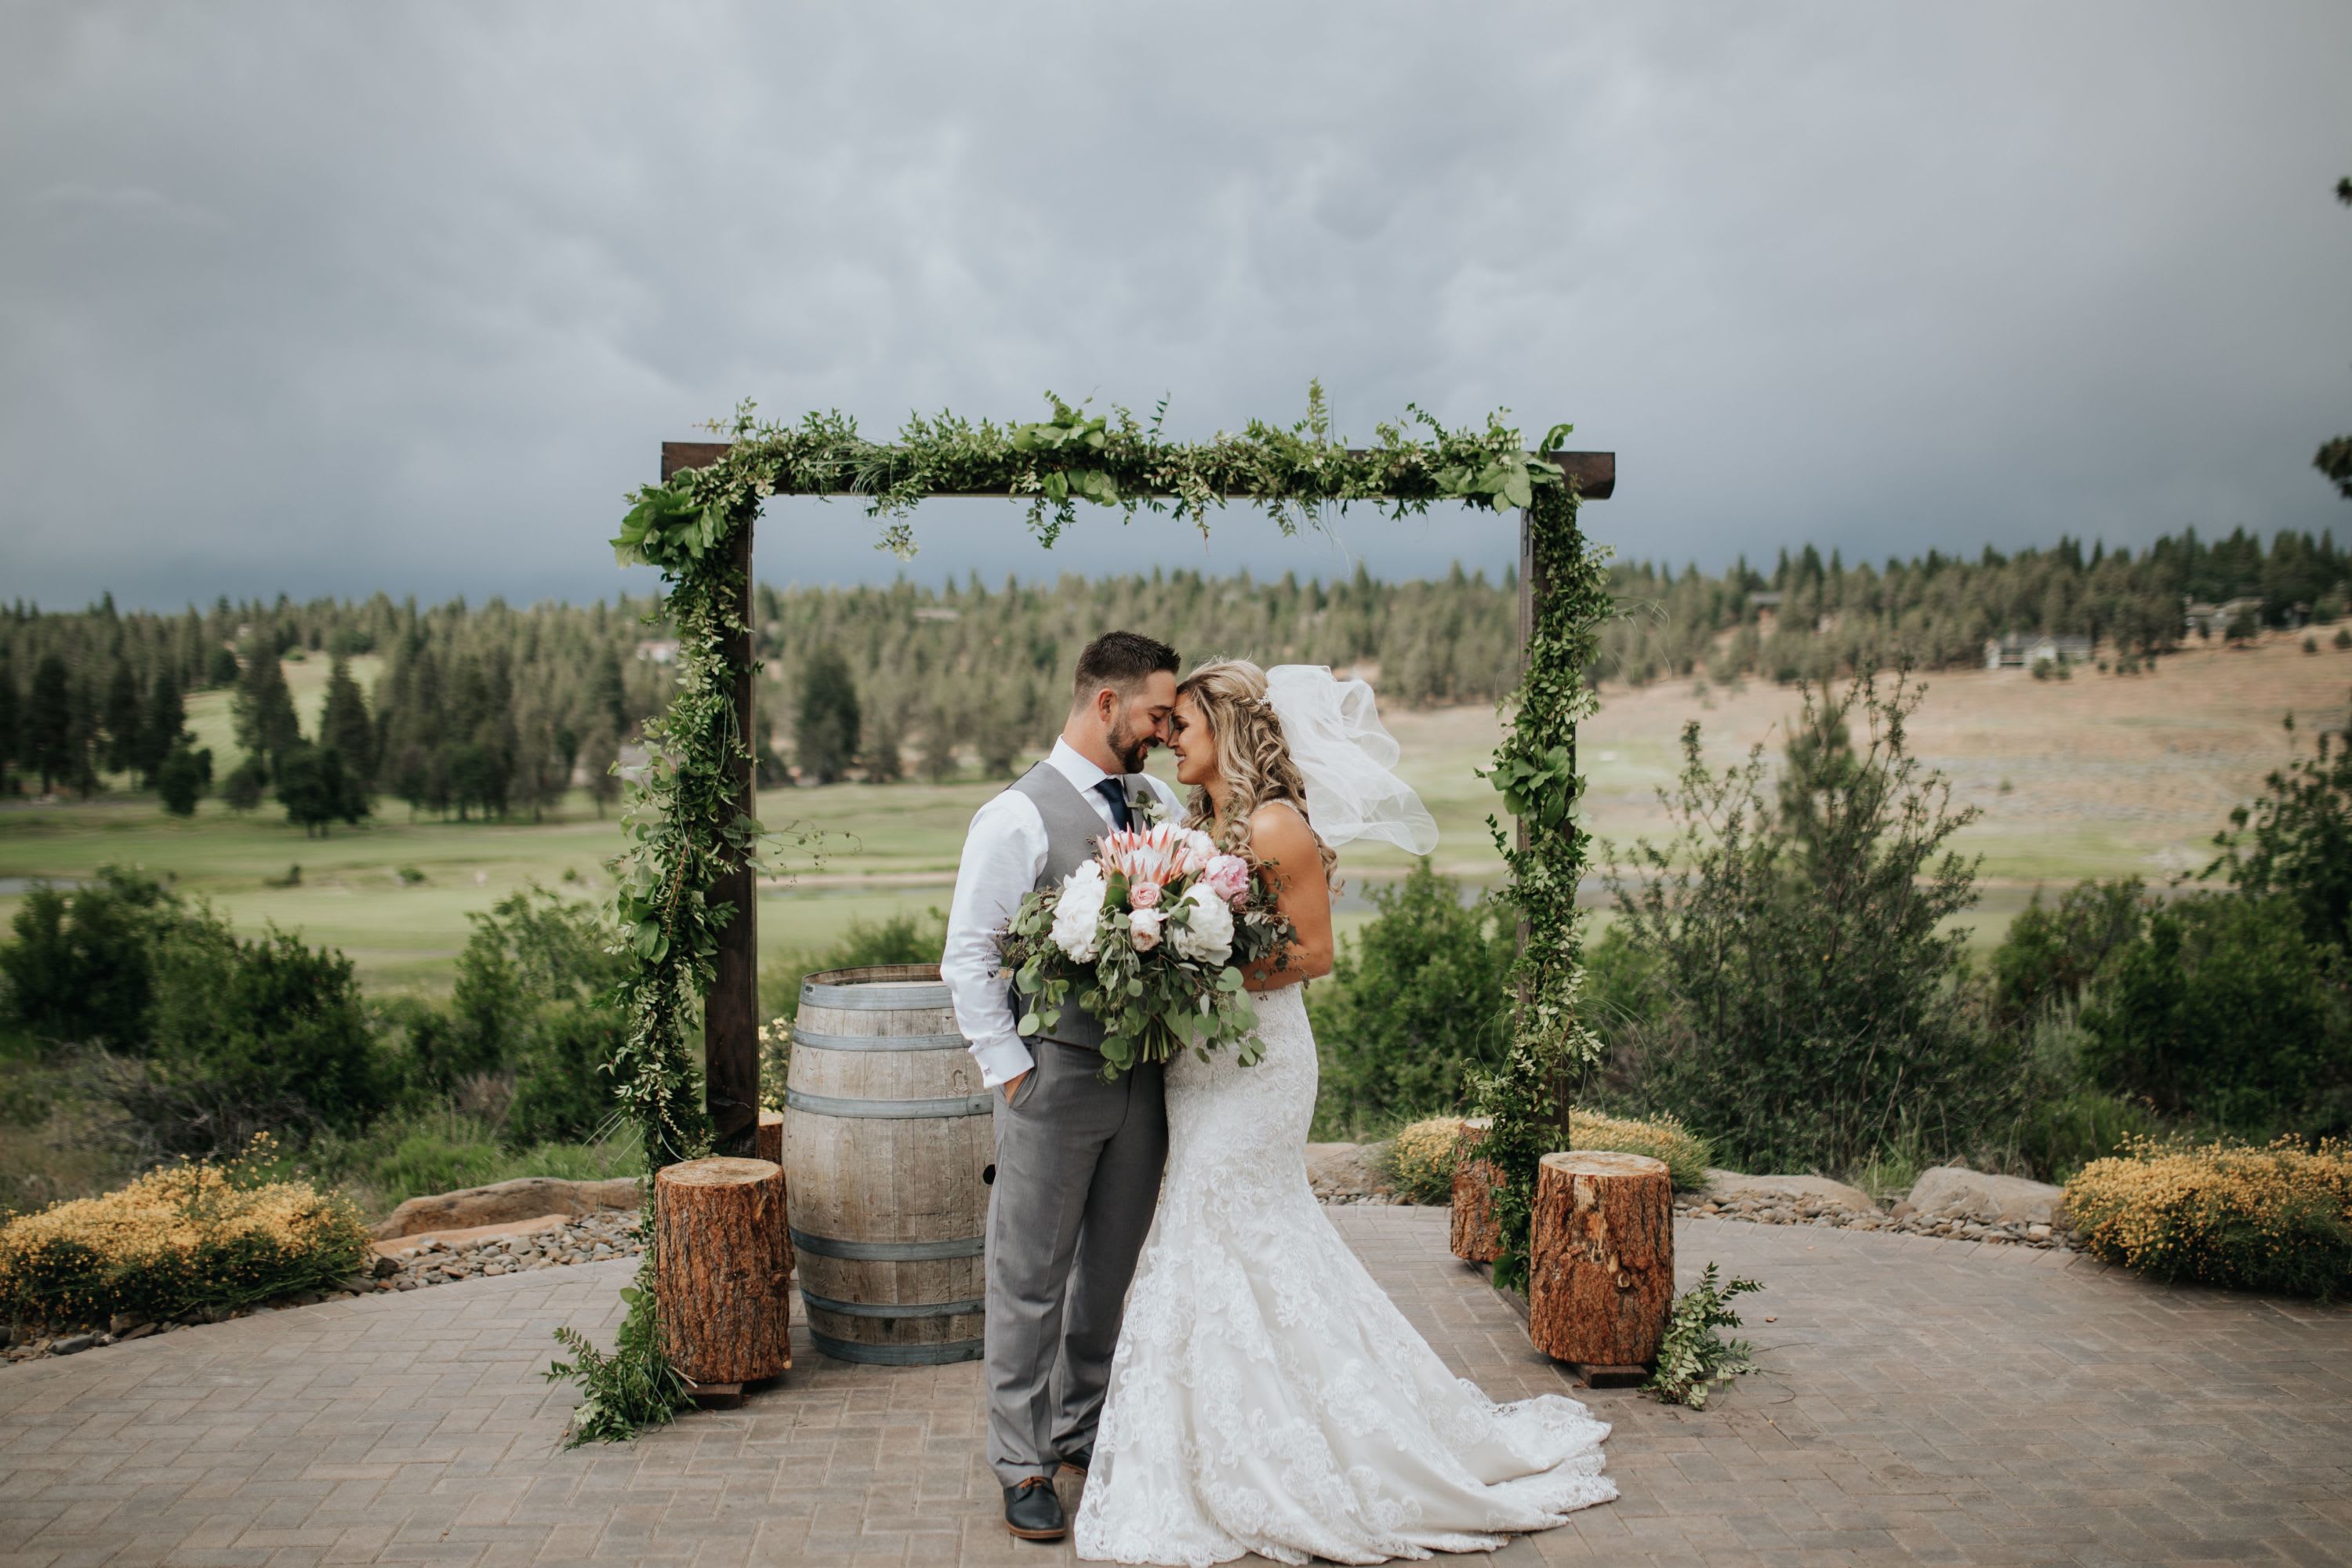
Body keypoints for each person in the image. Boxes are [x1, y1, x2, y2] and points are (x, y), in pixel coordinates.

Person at [1073, 659, 1616, 1566]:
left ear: (1231, 729)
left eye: (1188, 723)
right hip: (1202, 1064)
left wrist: (1193, 958)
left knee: (1217, 1217)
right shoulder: (1198, 823)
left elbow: (1315, 952)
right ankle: (1225, 1436)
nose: (1172, 735)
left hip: (1260, 1067)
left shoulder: (1279, 822)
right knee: (1230, 1234)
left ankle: (1279, 1451)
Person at [941, 630, 1187, 1543]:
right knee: (1029, 1277)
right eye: (1157, 713)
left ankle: (1081, 1427)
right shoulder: (1014, 816)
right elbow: (968, 954)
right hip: (1053, 1076)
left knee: (1106, 1278)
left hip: (1146, 1084)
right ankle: (1022, 1460)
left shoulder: (1154, 801)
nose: (1165, 730)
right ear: (1106, 704)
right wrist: (1010, 1070)